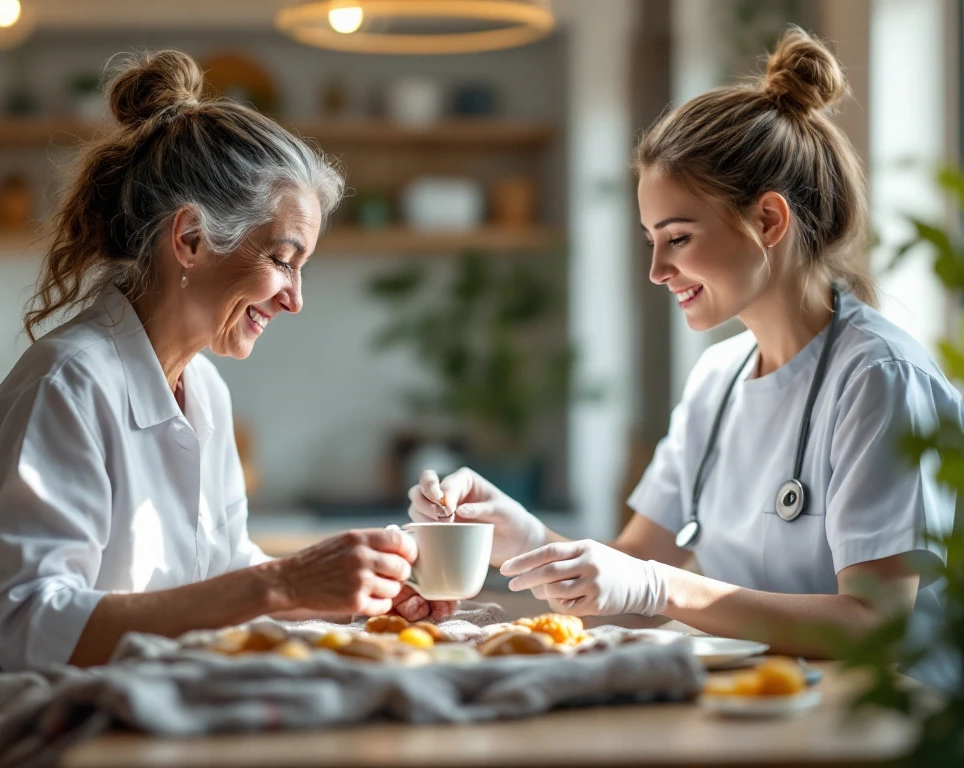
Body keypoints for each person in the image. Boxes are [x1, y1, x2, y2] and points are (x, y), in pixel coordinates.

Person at [409, 28, 960, 685]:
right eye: (650, 238)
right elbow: (637, 573)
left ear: (770, 222)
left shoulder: (878, 379)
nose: (657, 268)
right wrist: (523, 540)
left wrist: (659, 588)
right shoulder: (717, 378)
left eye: (678, 237)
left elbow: (875, 623)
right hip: (763, 707)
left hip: (885, 722)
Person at [0, 50, 445, 674]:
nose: (295, 300)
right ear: (190, 239)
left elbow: (222, 577)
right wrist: (284, 584)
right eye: (282, 259)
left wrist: (349, 595)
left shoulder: (205, 390)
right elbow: (31, 626)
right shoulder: (67, 384)